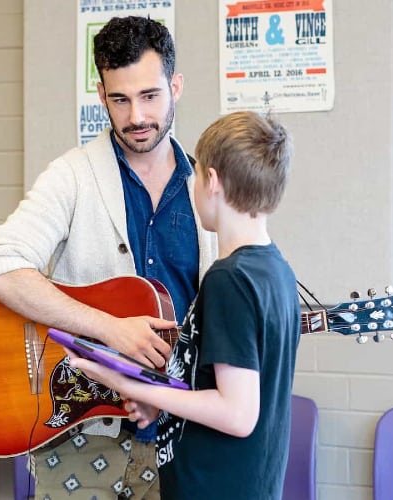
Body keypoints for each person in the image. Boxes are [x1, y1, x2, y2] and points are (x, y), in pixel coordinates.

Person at [0, 15, 217, 500]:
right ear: (101, 95)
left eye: (150, 96)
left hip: (180, 433)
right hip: (78, 434)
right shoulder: (71, 175)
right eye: (119, 99)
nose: (136, 117)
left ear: (176, 85)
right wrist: (110, 328)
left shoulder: (209, 186)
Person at [68, 110, 301, 500]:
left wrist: (127, 384)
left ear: (211, 181)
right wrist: (157, 403)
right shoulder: (276, 269)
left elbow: (238, 414)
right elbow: (212, 383)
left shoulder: (229, 279)